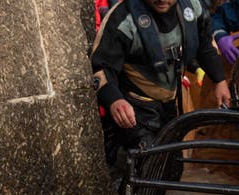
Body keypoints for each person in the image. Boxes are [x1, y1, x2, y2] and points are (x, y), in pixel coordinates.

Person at [91, 0, 231, 180]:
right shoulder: (123, 18)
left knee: (171, 171)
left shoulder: (193, 9)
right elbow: (101, 67)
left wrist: (220, 80)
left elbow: (204, 46)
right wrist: (114, 100)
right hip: (134, 110)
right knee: (145, 169)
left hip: (171, 105)